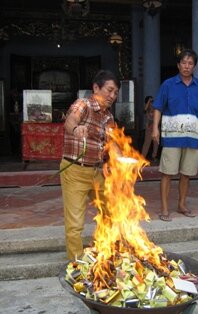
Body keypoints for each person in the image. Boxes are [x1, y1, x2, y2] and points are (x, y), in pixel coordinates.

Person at [60, 69, 120, 260]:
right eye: (109, 90)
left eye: (116, 92)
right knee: (75, 223)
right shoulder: (83, 104)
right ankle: (76, 266)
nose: (112, 96)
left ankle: (104, 254)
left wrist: (122, 161)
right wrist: (76, 129)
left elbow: (114, 144)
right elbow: (71, 120)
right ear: (96, 87)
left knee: (110, 212)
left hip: (97, 172)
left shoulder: (109, 117)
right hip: (75, 172)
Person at [152, 49, 198, 222]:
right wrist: (155, 128)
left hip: (192, 137)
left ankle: (181, 204)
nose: (186, 66)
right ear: (178, 65)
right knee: (167, 173)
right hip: (172, 137)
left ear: (194, 66)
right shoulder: (168, 85)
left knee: (186, 173)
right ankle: (165, 208)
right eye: (184, 63)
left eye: (190, 63)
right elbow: (158, 107)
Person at [141, 96, 159, 162]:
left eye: (152, 101)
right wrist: (148, 101)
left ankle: (154, 157)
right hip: (149, 128)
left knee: (156, 143)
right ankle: (142, 157)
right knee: (147, 143)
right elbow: (144, 110)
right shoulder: (147, 108)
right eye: (150, 102)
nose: (152, 103)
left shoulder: (155, 107)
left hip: (155, 127)